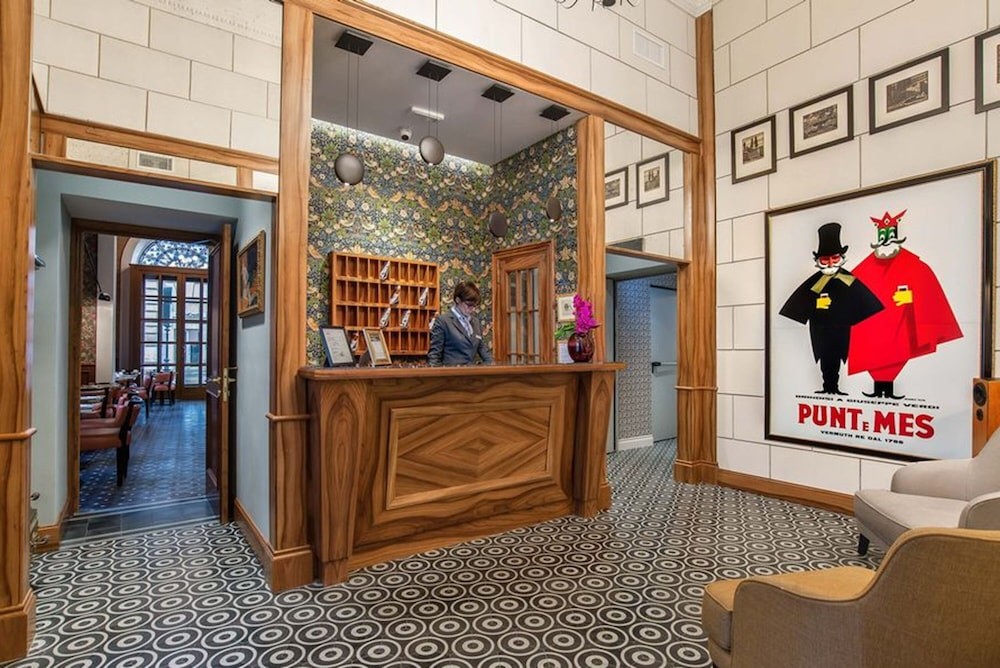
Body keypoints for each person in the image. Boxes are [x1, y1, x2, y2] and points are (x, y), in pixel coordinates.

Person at [847, 210, 962, 399]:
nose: (885, 241)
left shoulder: (916, 267)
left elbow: (929, 296)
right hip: (875, 330)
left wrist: (912, 298)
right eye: (882, 236)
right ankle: (881, 388)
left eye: (889, 236)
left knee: (894, 355)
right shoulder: (861, 271)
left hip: (903, 329)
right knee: (876, 356)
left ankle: (886, 389)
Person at [779, 222, 883, 395]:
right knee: (825, 359)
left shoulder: (848, 279)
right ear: (818, 261)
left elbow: (868, 304)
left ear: (841, 257)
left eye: (834, 259)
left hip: (842, 328)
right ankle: (828, 387)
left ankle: (834, 388)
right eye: (825, 260)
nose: (830, 263)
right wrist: (815, 306)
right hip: (820, 330)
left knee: (838, 356)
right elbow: (796, 307)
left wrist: (850, 313)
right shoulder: (814, 282)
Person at [427, 281, 493, 366]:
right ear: (458, 300)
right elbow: (434, 356)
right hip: (451, 373)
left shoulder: (476, 323)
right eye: (469, 305)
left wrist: (491, 366)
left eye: (475, 306)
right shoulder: (443, 321)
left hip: (472, 373)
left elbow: (483, 350)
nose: (473, 309)